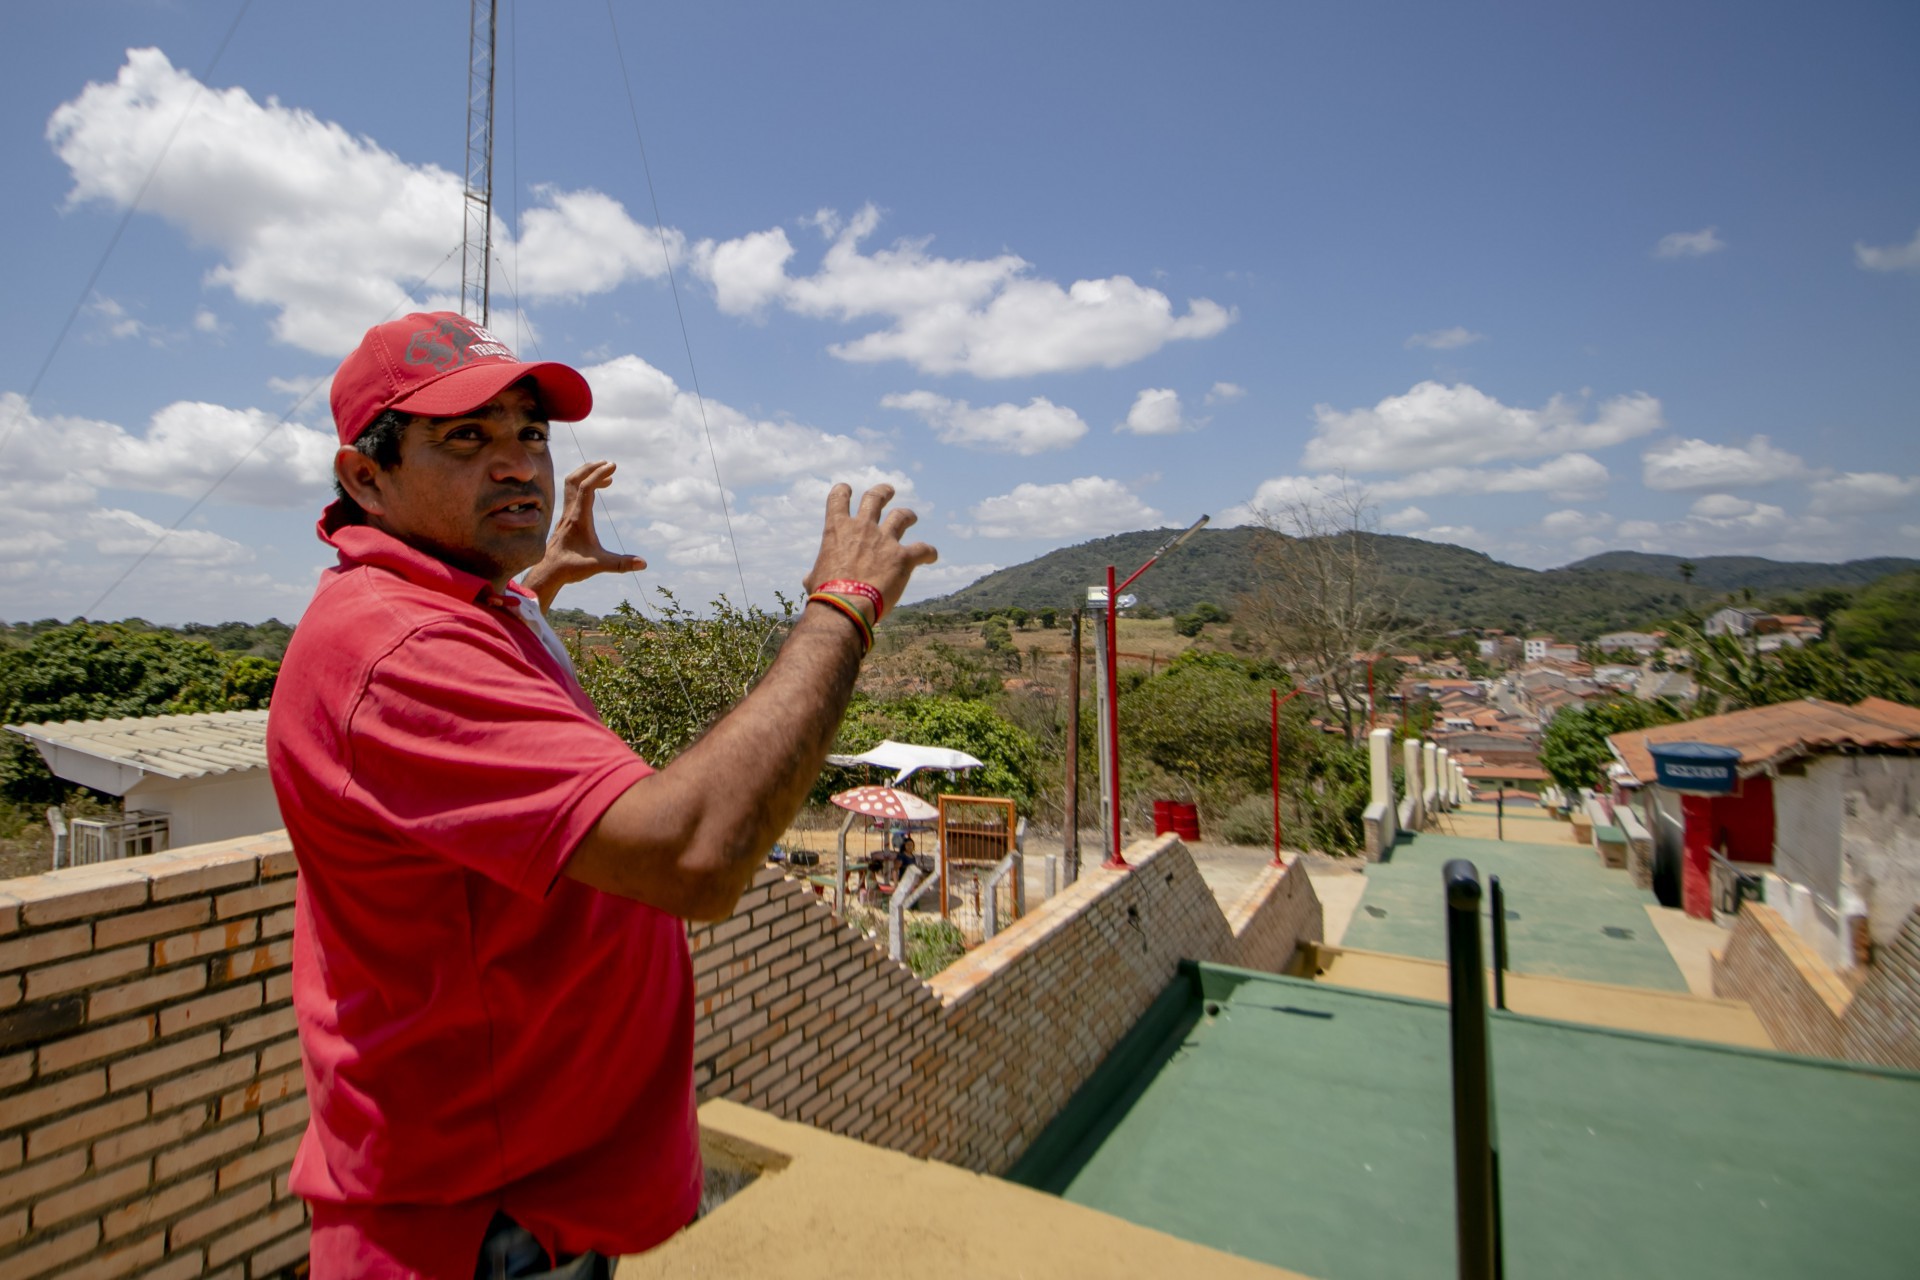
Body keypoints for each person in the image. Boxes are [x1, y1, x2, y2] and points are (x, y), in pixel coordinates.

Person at [266, 311, 935, 1279]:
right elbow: (690, 851)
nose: (519, 465)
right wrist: (843, 607)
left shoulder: (453, 604)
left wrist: (540, 580)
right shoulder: (398, 648)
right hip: (485, 1225)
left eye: (530, 433)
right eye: (467, 436)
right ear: (364, 475)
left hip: (522, 1193)